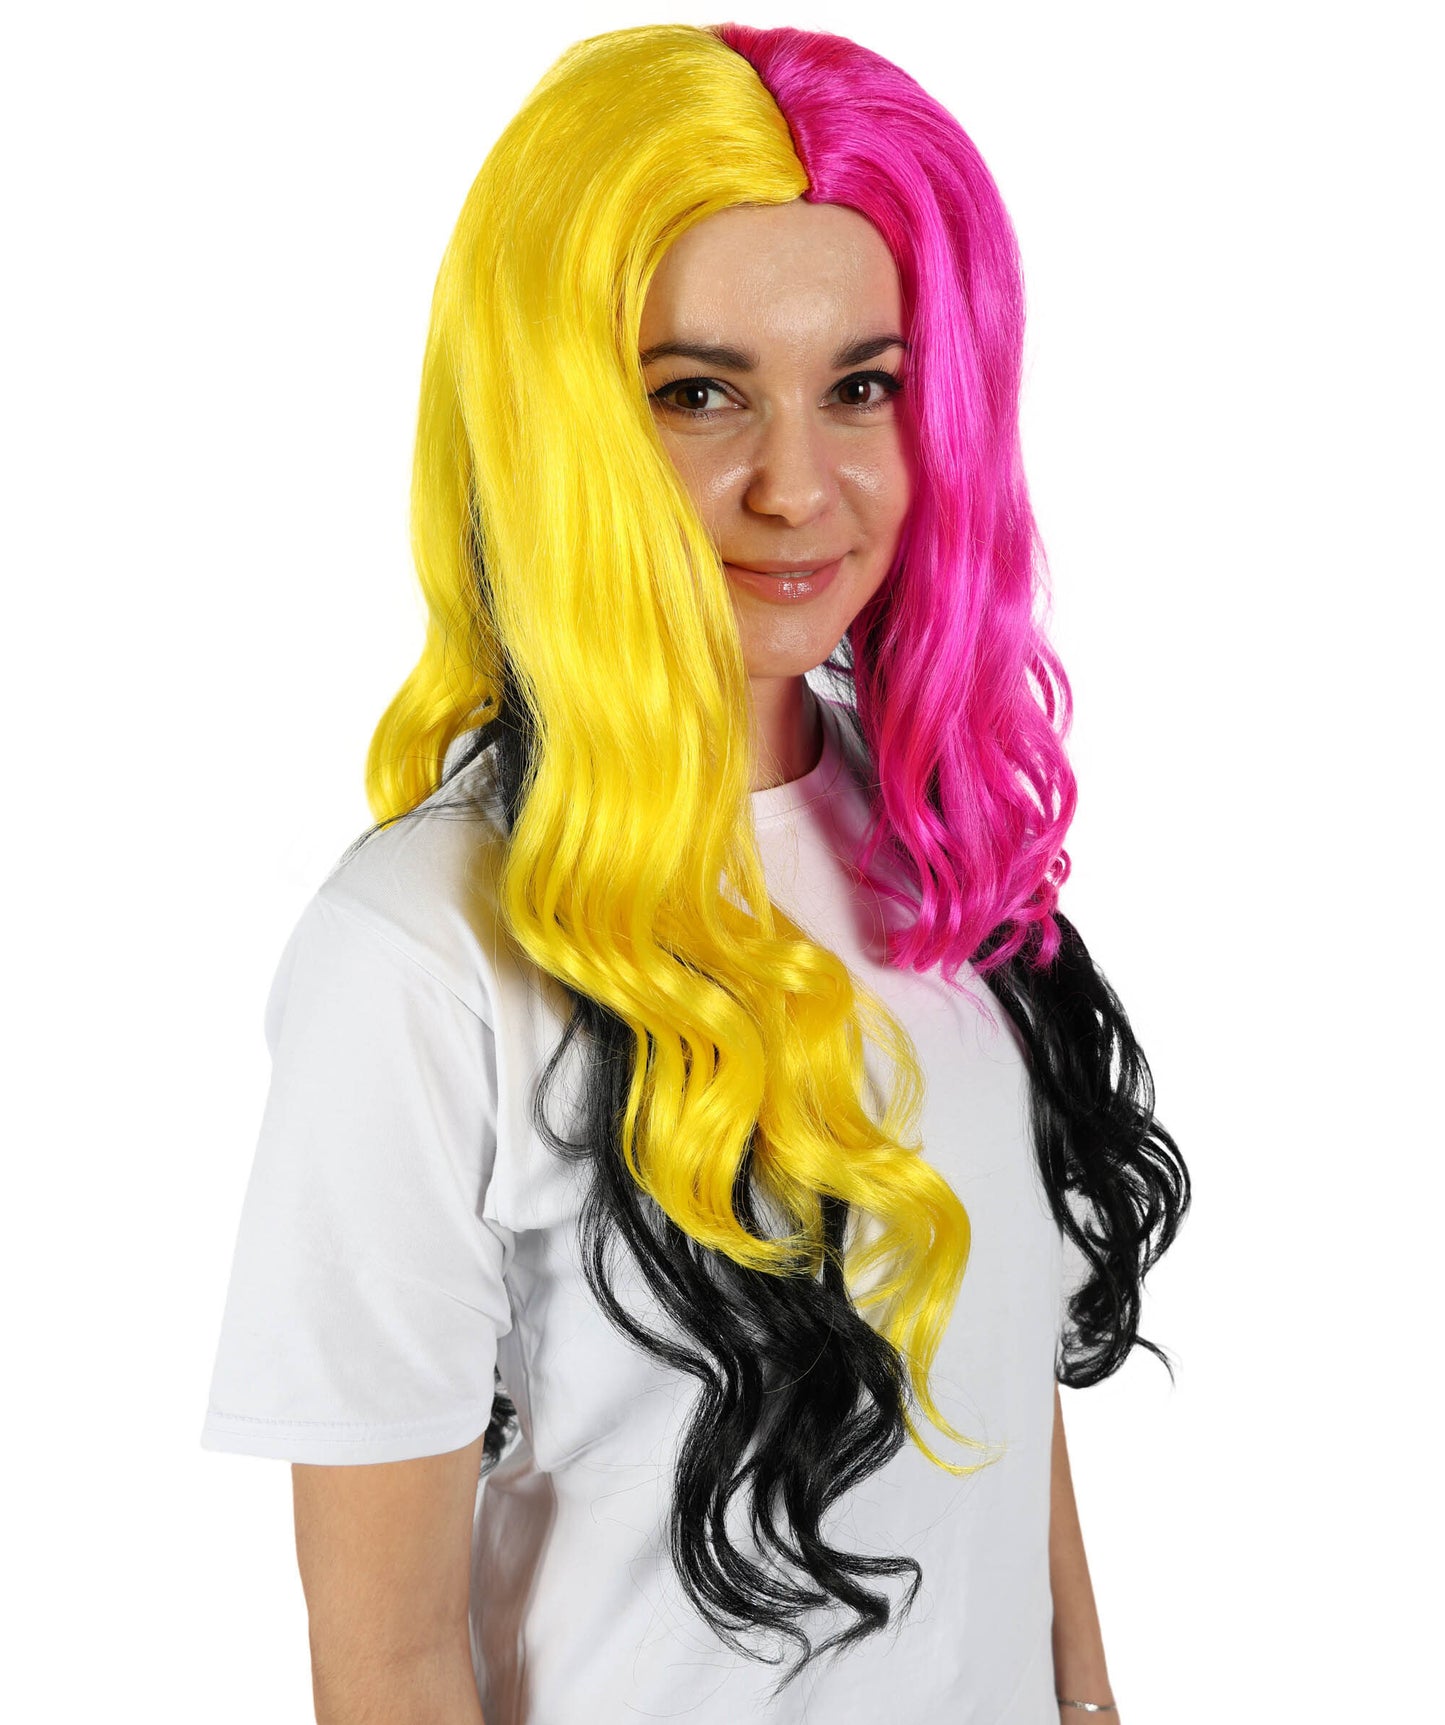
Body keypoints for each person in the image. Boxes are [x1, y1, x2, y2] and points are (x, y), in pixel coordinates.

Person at [200, 21, 1189, 1725]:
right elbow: (384, 1661)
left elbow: (986, 1400)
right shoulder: (421, 955)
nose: (797, 488)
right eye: (698, 394)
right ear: (562, 425)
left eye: (861, 387)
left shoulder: (940, 848)